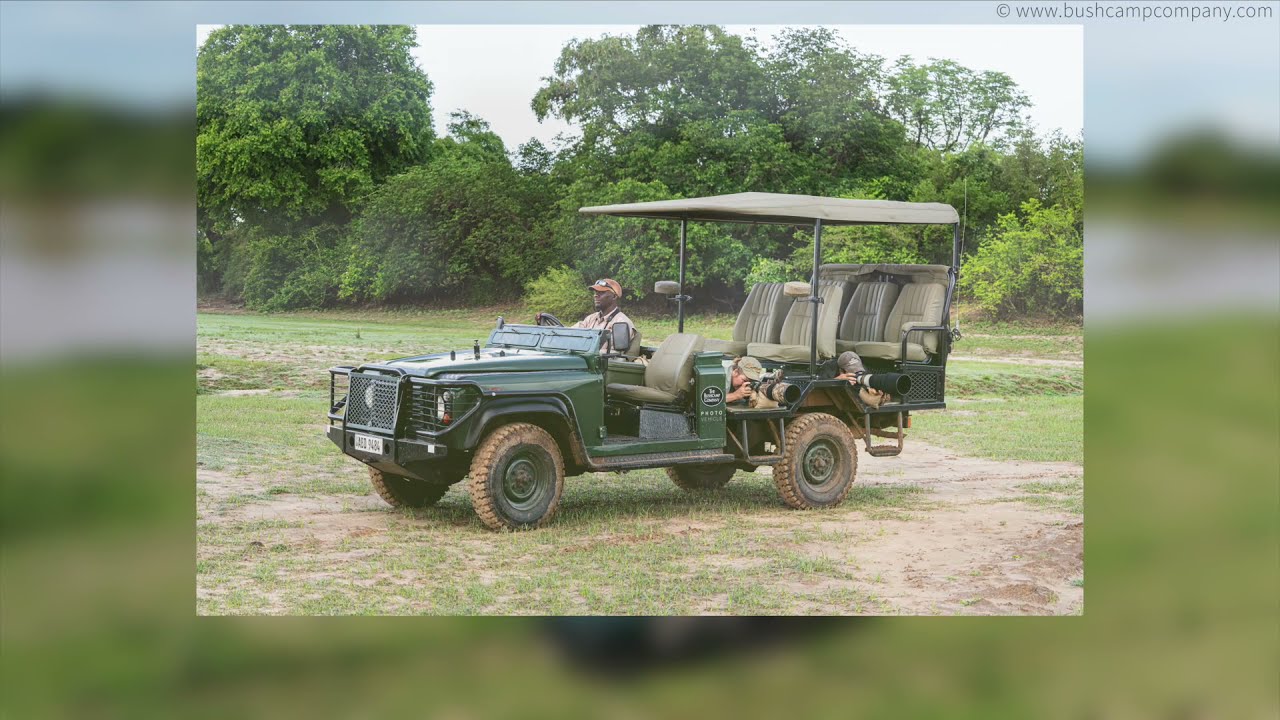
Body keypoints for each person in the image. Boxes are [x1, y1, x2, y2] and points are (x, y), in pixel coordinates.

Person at [573, 278, 637, 352]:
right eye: (595, 292)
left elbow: (615, 355)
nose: (595, 295)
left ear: (614, 296)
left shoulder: (622, 323)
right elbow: (570, 333)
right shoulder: (591, 318)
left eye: (601, 292)